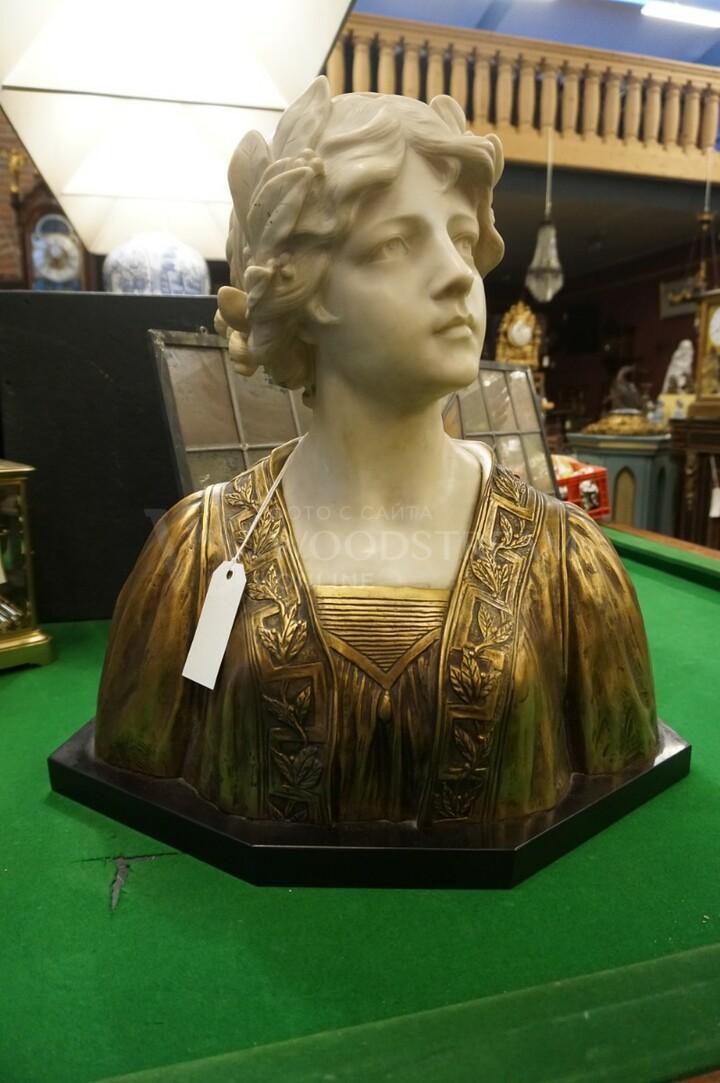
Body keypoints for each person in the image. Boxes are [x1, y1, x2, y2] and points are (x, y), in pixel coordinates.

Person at [95, 79, 657, 828]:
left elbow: (618, 766)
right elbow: (136, 759)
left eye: (463, 239)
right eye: (396, 244)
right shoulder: (197, 555)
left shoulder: (567, 564)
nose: (459, 275)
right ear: (300, 291)